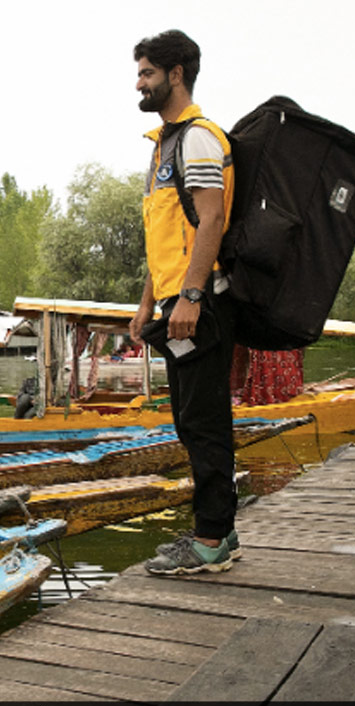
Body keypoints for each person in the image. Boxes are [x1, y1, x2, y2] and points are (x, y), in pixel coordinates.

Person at [127, 30, 239, 574]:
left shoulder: (197, 138)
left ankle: (211, 540)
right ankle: (217, 530)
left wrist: (192, 296)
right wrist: (147, 304)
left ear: (176, 75)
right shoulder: (162, 147)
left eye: (147, 73)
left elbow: (211, 219)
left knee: (203, 421)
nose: (138, 84)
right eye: (138, 74)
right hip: (176, 302)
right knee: (191, 420)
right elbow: (166, 236)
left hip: (201, 301)